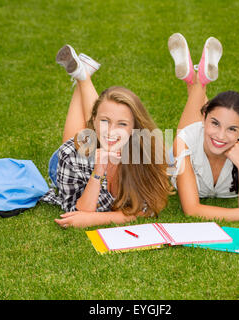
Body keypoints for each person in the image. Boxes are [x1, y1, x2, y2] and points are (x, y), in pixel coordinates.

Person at [44, 44, 172, 228]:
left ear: (135, 127)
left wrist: (95, 219)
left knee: (105, 123)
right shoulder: (70, 155)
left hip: (93, 141)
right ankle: (82, 78)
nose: (112, 131)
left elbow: (152, 206)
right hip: (64, 166)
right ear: (93, 120)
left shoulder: (146, 150)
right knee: (75, 145)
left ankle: (82, 76)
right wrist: (98, 171)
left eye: (123, 124)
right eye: (103, 121)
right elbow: (75, 210)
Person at [168, 33, 239, 226]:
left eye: (232, 129)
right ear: (203, 119)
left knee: (209, 126)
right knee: (189, 134)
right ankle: (198, 83)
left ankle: (194, 80)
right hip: (187, 144)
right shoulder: (185, 141)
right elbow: (191, 209)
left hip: (215, 131)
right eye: (214, 123)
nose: (221, 136)